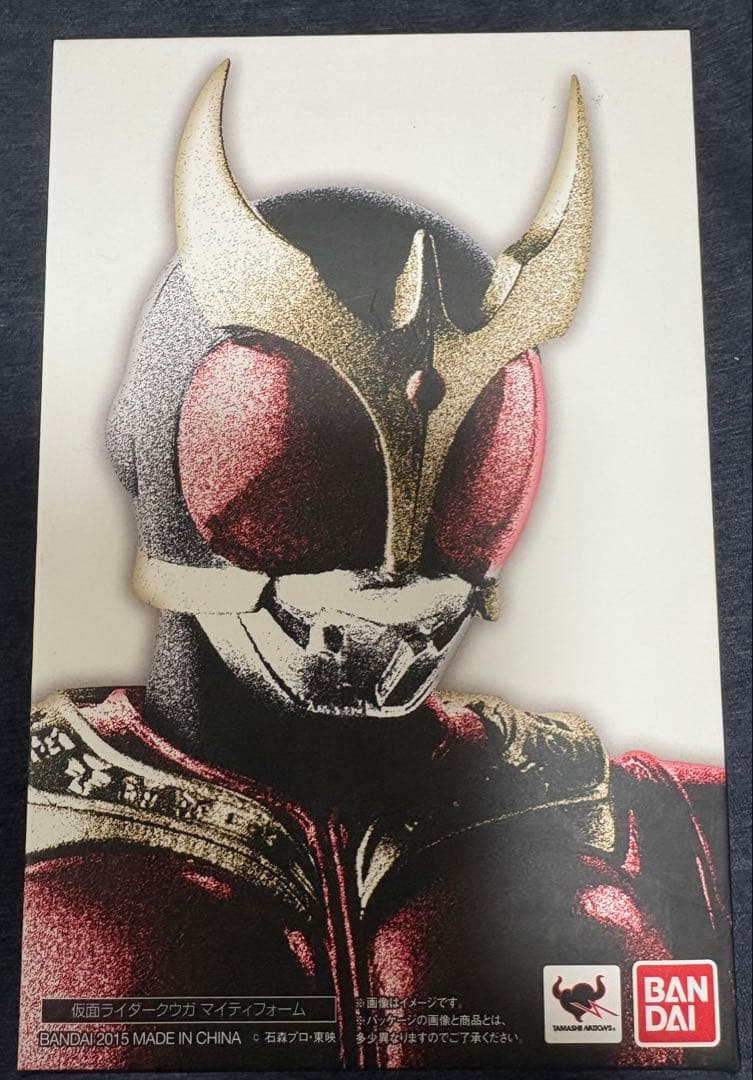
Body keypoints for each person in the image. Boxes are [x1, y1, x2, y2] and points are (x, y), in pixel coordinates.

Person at [18, 62, 733, 1070]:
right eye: (305, 473)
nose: (391, 581)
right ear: (149, 446)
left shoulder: (661, 825)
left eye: (476, 460)